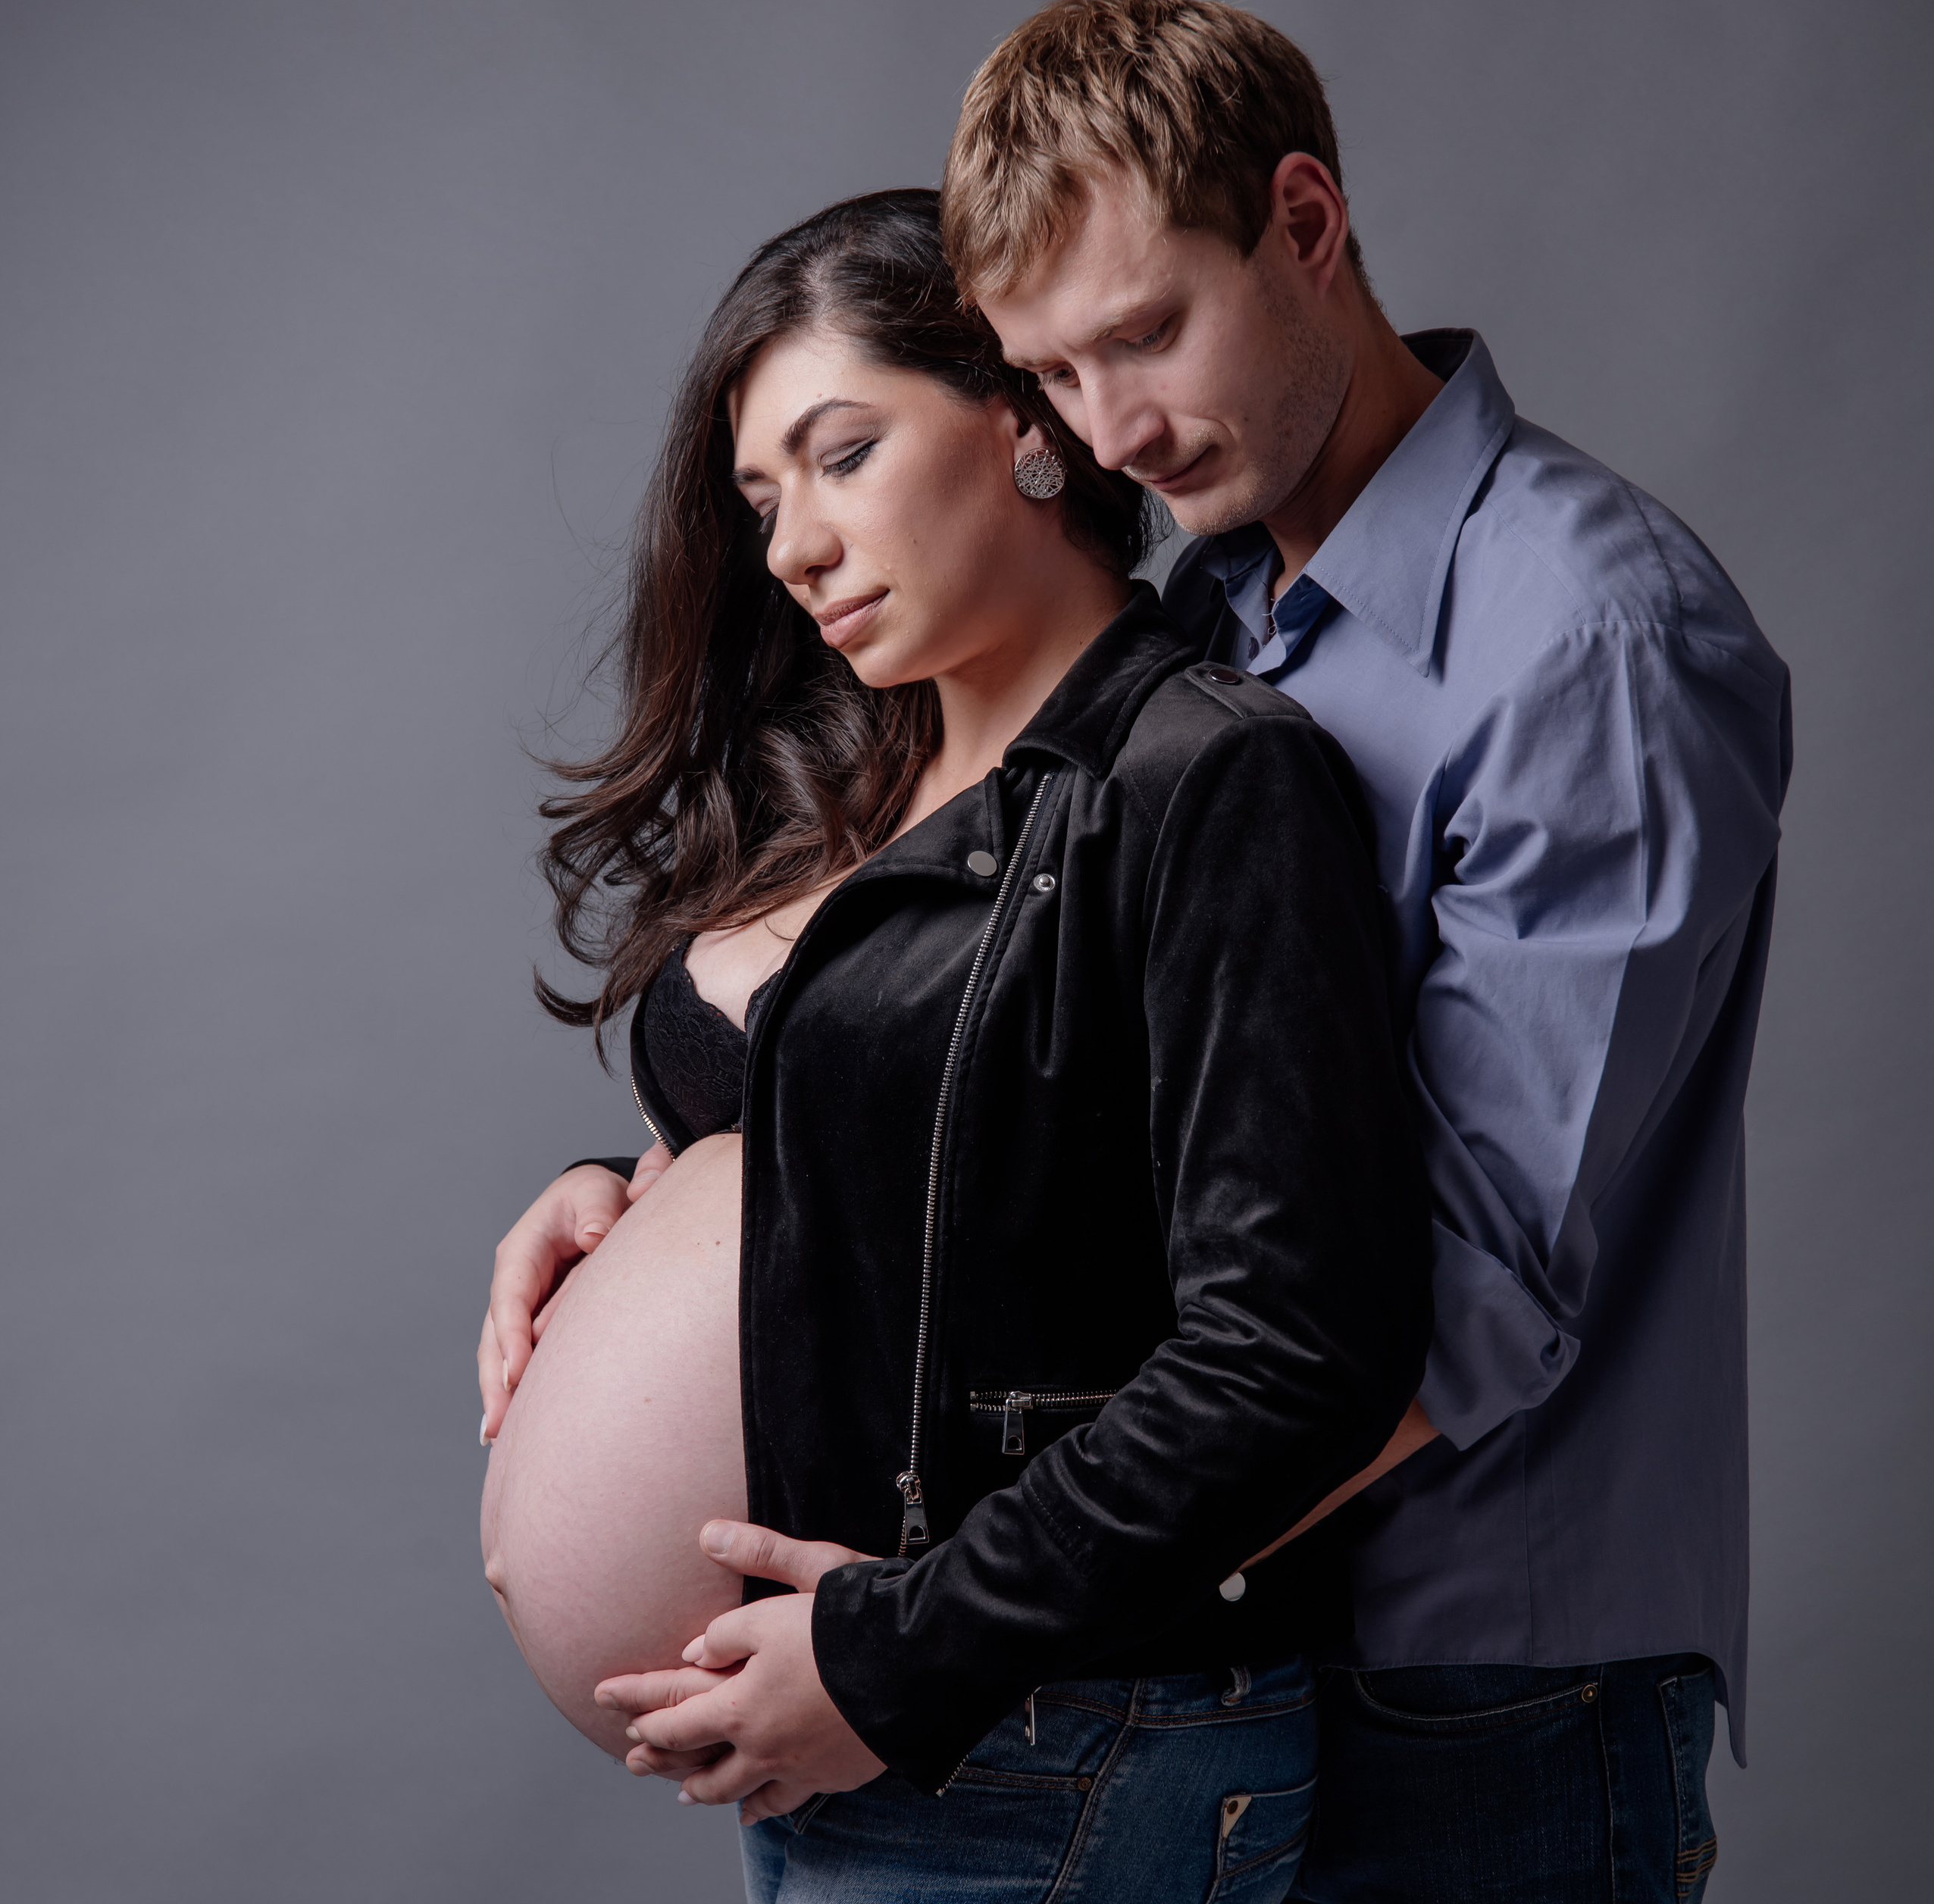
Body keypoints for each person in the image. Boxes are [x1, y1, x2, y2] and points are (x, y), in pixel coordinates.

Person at [917, 0, 1790, 1902]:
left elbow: (1471, 1285)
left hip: (1479, 1689)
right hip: (1228, 1653)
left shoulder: (1587, 641)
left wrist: (968, 1619)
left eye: (1146, 331)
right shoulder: (1207, 620)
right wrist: (647, 1182)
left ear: (1305, 224)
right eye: (1054, 378)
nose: (1114, 430)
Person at [477, 188, 1434, 1901]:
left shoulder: (1204, 779)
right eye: (761, 497)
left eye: (841, 455)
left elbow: (1299, 1347)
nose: (788, 544)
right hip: (864, 1765)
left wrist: (897, 1652)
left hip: (1049, 1741)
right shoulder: (844, 778)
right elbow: (910, 1151)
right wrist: (618, 1195)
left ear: (1024, 422)